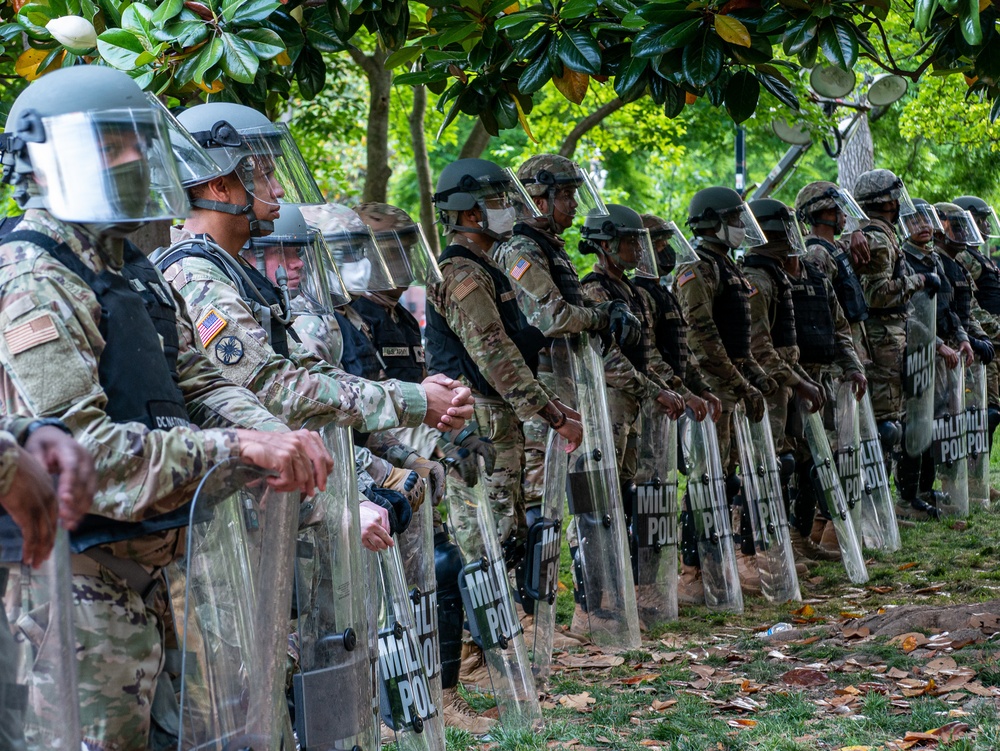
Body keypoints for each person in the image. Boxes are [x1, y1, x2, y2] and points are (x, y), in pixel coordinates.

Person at [0, 65, 331, 750]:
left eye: (136, 144)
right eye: (112, 146)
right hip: (72, 589)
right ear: (52, 160)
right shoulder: (33, 278)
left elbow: (200, 383)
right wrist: (241, 450)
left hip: (164, 565)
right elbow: (89, 457)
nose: (134, 161)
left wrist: (281, 436)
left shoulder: (131, 267)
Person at [154, 101, 475, 439]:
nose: (278, 190)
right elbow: (276, 389)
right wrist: (416, 401)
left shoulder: (232, 273)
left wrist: (418, 395)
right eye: (265, 175)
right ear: (220, 186)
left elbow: (304, 368)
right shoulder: (196, 277)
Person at [424, 157, 583, 687]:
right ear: (467, 213)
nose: (508, 210)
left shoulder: (487, 267)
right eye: (497, 202)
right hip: (478, 423)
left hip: (498, 419)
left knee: (505, 534)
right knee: (481, 542)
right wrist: (553, 413)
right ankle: (474, 659)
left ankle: (494, 647)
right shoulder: (462, 274)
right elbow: (496, 357)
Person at [495, 153, 631, 636]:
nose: (574, 205)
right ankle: (534, 620)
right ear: (538, 196)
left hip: (568, 392)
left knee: (573, 504)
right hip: (541, 398)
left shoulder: (551, 249)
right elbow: (551, 317)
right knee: (538, 512)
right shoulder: (519, 250)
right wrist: (601, 315)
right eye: (566, 194)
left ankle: (583, 610)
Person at [674, 186, 772, 601]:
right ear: (712, 222)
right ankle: (690, 570)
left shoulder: (727, 268)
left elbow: (739, 341)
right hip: (712, 392)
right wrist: (737, 382)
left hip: (731, 387)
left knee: (727, 479)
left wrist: (754, 378)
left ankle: (721, 561)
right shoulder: (697, 270)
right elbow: (703, 340)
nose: (740, 227)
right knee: (703, 480)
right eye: (734, 219)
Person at [742, 199, 826, 573]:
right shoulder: (758, 280)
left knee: (787, 463)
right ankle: (757, 551)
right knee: (769, 466)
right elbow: (758, 347)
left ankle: (779, 544)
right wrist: (799, 382)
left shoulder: (776, 275)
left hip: (785, 388)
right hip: (769, 388)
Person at [852, 170, 936, 506]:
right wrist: (919, 280)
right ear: (886, 202)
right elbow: (877, 295)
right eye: (895, 198)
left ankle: (886, 499)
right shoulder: (877, 239)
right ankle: (872, 503)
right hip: (881, 337)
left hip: (893, 336)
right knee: (885, 427)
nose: (899, 204)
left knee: (895, 422)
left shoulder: (881, 235)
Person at [896, 199, 969, 518]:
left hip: (941, 352)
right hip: (916, 352)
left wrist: (963, 338)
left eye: (927, 220)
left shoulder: (933, 259)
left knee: (934, 419)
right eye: (915, 221)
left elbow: (946, 307)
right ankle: (906, 497)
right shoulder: (903, 258)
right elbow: (909, 315)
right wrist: (938, 345)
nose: (923, 226)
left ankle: (925, 490)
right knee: (914, 423)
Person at [794, 181, 871, 362]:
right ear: (827, 213)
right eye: (839, 210)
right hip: (839, 359)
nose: (844, 215)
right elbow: (822, 311)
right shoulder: (817, 254)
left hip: (851, 349)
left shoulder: (833, 247)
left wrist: (857, 232)